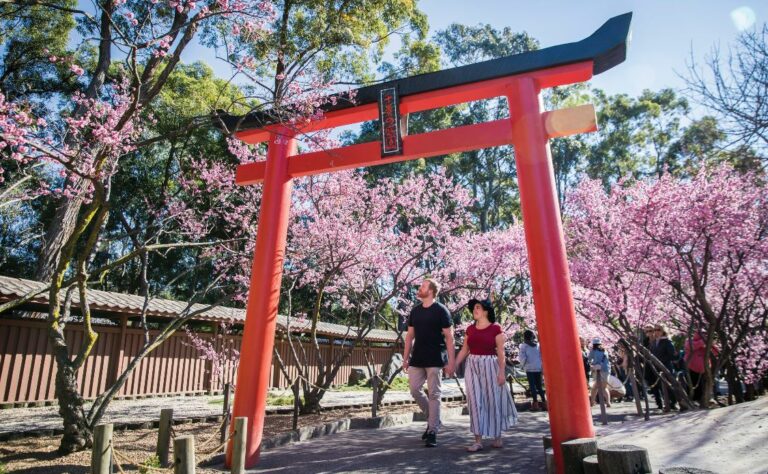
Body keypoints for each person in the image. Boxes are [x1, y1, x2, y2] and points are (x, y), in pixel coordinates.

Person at [454, 298, 518, 452]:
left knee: (492, 398)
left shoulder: (496, 328)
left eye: (478, 307)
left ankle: (497, 436)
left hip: (490, 364)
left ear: (486, 311)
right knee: (474, 400)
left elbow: (501, 352)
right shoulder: (470, 329)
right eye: (474, 308)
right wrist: (454, 364)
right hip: (472, 364)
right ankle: (477, 440)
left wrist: (502, 372)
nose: (475, 310)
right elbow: (464, 349)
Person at [402, 278, 455, 448]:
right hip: (417, 358)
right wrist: (405, 358)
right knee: (414, 390)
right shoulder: (415, 311)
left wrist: (451, 362)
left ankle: (432, 430)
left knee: (434, 394)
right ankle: (434, 418)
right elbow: (410, 336)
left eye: (423, 286)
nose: (420, 288)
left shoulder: (441, 311)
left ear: (431, 291)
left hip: (435, 358)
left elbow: (449, 337)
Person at [684, 332, 719, 407]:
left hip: (704, 370)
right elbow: (691, 346)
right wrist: (702, 341)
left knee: (704, 386)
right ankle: (693, 400)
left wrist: (711, 344)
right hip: (691, 368)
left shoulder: (706, 345)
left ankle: (706, 400)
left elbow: (716, 352)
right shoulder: (689, 341)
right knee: (693, 386)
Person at [650, 325, 678, 411]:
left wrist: (662, 360)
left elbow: (672, 356)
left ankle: (673, 403)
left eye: (658, 330)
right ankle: (666, 403)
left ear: (663, 331)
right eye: (655, 330)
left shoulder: (667, 342)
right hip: (656, 367)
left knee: (669, 385)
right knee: (660, 386)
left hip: (666, 366)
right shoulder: (654, 342)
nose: (656, 331)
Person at [519, 329, 546, 410]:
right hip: (538, 367)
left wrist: (522, 365)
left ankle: (535, 404)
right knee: (539, 386)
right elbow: (541, 356)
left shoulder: (523, 346)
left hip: (530, 368)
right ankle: (545, 403)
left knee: (533, 386)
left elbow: (522, 358)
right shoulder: (538, 345)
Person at [588, 338, 611, 407]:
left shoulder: (593, 351)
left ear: (594, 344)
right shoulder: (605, 351)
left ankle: (592, 402)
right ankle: (608, 402)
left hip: (597, 370)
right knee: (604, 387)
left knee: (595, 387)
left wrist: (592, 364)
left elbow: (589, 359)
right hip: (606, 370)